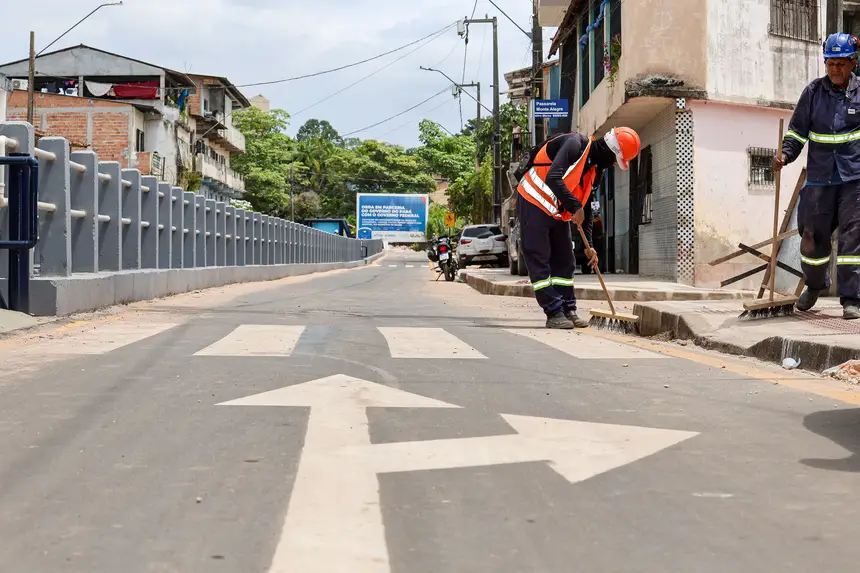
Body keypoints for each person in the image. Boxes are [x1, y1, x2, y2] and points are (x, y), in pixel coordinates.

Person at [516, 127, 641, 329]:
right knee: (540, 259)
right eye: (613, 161)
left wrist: (589, 245)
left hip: (557, 210)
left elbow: (588, 205)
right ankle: (553, 311)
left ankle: (568, 308)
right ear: (611, 152)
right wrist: (575, 206)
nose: (611, 166)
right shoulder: (575, 144)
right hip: (533, 201)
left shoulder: (595, 170)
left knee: (566, 260)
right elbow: (553, 177)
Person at [775, 32, 860, 320]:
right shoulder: (813, 93)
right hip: (821, 178)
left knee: (852, 241)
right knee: (811, 236)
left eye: (840, 63)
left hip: (854, 179)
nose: (835, 69)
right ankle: (814, 285)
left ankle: (851, 299)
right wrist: (785, 154)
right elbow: (797, 132)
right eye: (830, 63)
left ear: (852, 63)